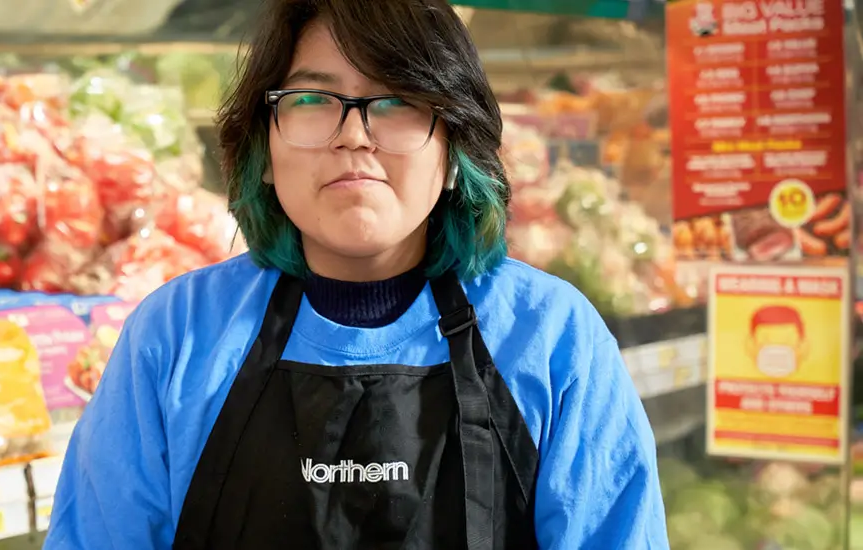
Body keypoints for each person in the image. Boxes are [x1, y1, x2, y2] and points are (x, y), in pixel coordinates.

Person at [44, 0, 670, 548]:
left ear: (454, 154)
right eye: (313, 99)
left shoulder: (552, 338)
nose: (354, 135)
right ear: (265, 151)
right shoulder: (175, 336)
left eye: (397, 100)